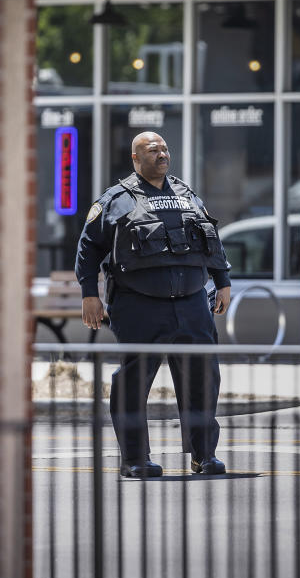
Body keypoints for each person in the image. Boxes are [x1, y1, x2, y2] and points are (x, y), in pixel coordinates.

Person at [75, 131, 232, 478]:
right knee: (134, 383)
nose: (162, 153)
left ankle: (203, 456)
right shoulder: (115, 200)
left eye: (164, 148)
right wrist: (90, 295)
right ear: (135, 157)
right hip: (139, 306)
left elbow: (210, 240)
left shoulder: (186, 194)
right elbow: (88, 250)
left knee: (203, 379)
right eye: (152, 149)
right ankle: (135, 459)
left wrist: (222, 282)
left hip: (192, 304)